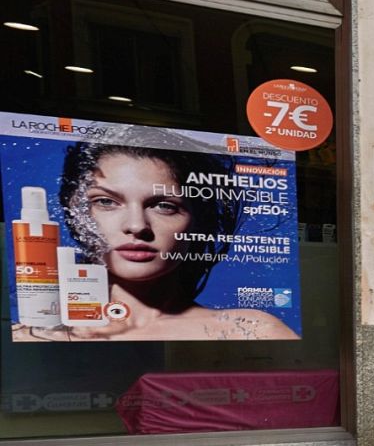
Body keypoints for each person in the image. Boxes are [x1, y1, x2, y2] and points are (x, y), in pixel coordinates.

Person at [16, 140, 296, 341]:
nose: (136, 226)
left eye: (164, 206)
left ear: (198, 219)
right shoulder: (31, 335)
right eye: (106, 202)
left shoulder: (251, 331)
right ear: (75, 211)